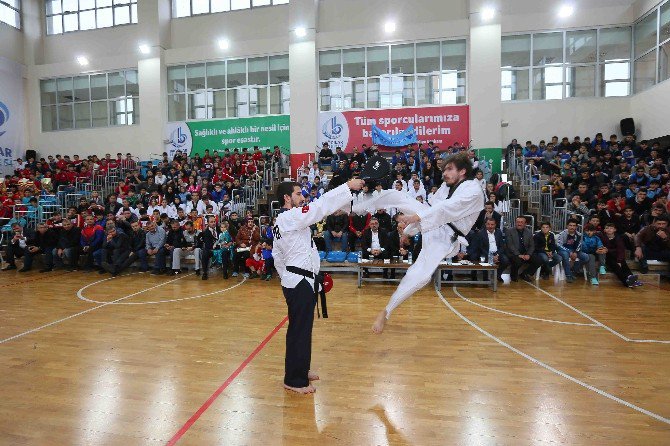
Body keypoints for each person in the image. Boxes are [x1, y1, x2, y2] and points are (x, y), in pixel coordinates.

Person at [352, 152, 485, 334]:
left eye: (449, 169)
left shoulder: (473, 191)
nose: (445, 173)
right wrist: (409, 230)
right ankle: (351, 207)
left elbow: (445, 210)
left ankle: (387, 311)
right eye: (444, 169)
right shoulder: (448, 186)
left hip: (445, 237)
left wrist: (413, 219)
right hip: (433, 222)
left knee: (421, 275)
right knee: (396, 196)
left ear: (462, 171)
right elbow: (432, 208)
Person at [272, 177, 365, 394]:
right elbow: (319, 207)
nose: (302, 197)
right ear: (286, 198)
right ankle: (294, 380)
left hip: (299, 280)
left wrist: (288, 278)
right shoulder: (288, 217)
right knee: (299, 330)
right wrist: (346, 187)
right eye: (297, 194)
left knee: (302, 329)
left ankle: (300, 369)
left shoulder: (286, 221)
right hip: (298, 281)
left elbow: (278, 256)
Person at [599, 222, 640, 287]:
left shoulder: (618, 238)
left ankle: (632, 278)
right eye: (607, 228)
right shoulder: (603, 238)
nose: (609, 229)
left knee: (623, 262)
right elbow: (604, 249)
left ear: (615, 230)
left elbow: (620, 250)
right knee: (616, 266)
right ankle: (626, 282)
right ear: (604, 230)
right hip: (608, 257)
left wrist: (619, 261)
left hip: (617, 256)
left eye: (611, 228)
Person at [470, 217, 508, 282]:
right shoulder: (480, 233)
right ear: (485, 224)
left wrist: (497, 255)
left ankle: (497, 275)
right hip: (485, 253)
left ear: (495, 225)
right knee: (485, 260)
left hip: (497, 253)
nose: (490, 226)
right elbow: (480, 247)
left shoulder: (498, 232)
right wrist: (490, 256)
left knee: (505, 260)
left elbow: (502, 246)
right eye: (488, 224)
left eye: (492, 224)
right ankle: (485, 279)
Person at [556, 219, 590, 283]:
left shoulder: (579, 235)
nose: (572, 227)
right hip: (563, 250)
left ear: (576, 227)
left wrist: (576, 252)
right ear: (567, 226)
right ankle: (568, 275)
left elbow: (580, 245)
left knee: (586, 257)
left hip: (575, 250)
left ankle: (574, 271)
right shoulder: (562, 234)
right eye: (570, 225)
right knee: (565, 255)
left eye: (574, 226)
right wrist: (569, 252)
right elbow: (558, 245)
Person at [504, 217, 537, 282]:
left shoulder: (529, 232)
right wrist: (518, 254)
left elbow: (532, 245)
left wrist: (529, 254)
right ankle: (513, 275)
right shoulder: (509, 231)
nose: (519, 224)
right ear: (515, 223)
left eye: (521, 222)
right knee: (517, 261)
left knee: (538, 259)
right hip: (513, 253)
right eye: (518, 222)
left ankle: (524, 273)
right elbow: (510, 245)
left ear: (525, 224)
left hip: (525, 253)